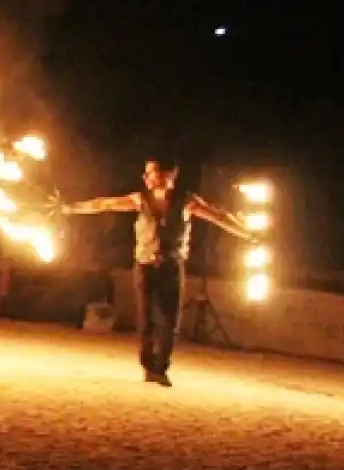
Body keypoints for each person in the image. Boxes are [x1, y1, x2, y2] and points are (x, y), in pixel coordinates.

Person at [58, 157, 258, 386]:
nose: (147, 177)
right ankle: (148, 365)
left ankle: (160, 367)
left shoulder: (186, 201)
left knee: (169, 321)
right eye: (146, 173)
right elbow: (104, 204)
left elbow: (217, 216)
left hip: (171, 266)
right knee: (145, 319)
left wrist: (245, 233)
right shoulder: (140, 199)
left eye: (152, 173)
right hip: (144, 265)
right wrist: (69, 208)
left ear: (169, 175)